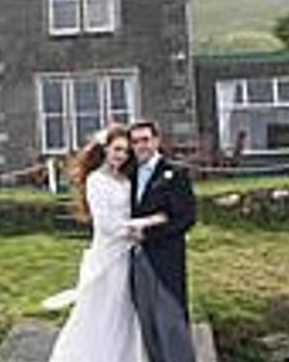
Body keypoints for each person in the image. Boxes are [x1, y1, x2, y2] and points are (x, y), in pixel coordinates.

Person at [43, 124, 165, 362]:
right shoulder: (96, 180)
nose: (121, 155)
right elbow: (106, 224)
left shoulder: (126, 180)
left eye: (126, 151)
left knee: (126, 310)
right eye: (117, 149)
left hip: (128, 253)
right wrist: (141, 227)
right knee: (103, 309)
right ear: (106, 149)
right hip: (108, 254)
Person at [128, 120, 197, 362]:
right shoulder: (129, 175)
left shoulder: (175, 173)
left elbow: (186, 218)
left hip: (166, 260)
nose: (141, 146)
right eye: (135, 142)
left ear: (156, 141)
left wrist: (148, 233)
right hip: (136, 259)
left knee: (171, 322)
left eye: (145, 140)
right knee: (147, 323)